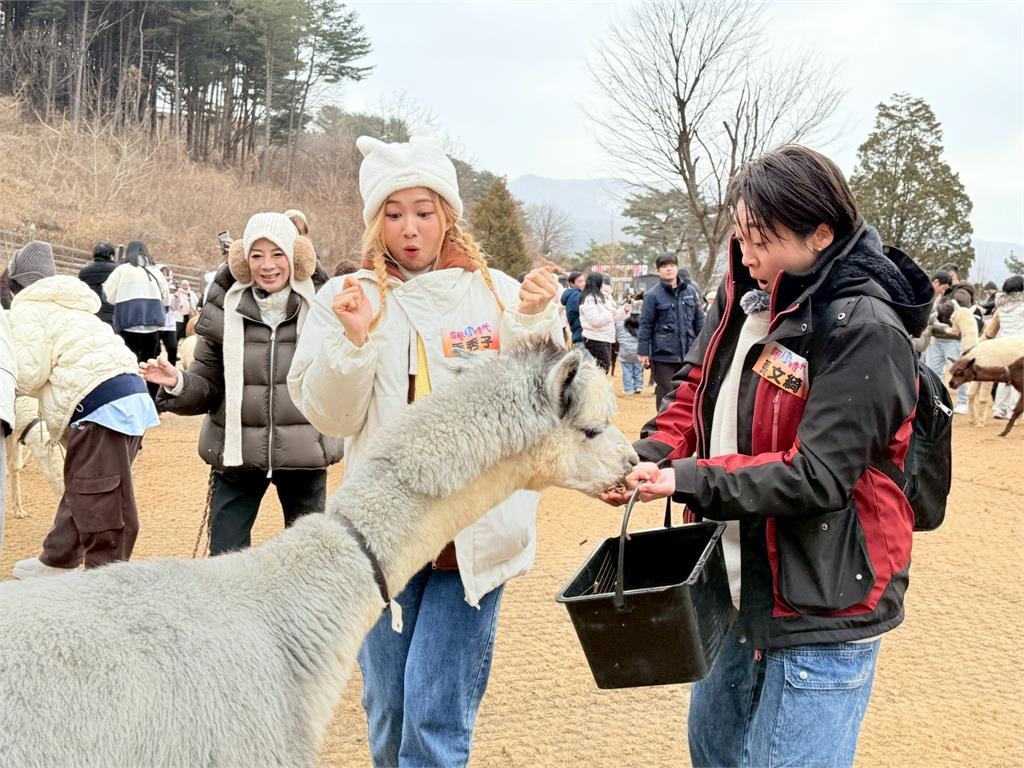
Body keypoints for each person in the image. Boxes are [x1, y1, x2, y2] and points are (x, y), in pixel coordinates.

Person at [602, 145, 932, 767]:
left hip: (823, 593)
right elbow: (697, 392)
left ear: (821, 234)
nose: (747, 253)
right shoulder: (744, 300)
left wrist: (684, 479)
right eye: (741, 232)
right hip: (737, 579)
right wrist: (647, 454)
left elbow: (818, 474)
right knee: (716, 754)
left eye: (763, 238)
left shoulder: (863, 326)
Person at [287, 131, 563, 768]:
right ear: (374, 221)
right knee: (388, 713)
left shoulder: (497, 292)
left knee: (435, 721)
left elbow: (544, 408)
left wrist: (533, 323)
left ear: (449, 215)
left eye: (424, 210)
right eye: (393, 212)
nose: (409, 228)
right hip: (383, 533)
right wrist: (354, 344)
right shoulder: (350, 298)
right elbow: (330, 415)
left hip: (472, 530)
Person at [139, 212, 343, 556]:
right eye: (257, 255)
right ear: (243, 259)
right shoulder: (224, 311)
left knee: (310, 560)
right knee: (226, 560)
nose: (268, 265)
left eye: (277, 254)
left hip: (305, 452)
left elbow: (340, 379)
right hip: (236, 455)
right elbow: (206, 386)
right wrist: (177, 382)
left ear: (295, 256)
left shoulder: (323, 309)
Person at [6, 240, 158, 578]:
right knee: (83, 483)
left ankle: (106, 575)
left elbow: (28, 373)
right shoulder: (71, 305)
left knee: (100, 495)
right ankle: (57, 558)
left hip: (99, 403)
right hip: (127, 395)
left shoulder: (28, 309)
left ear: (16, 285)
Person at [103, 240, 169, 400]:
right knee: (151, 365)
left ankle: (129, 398)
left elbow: (108, 295)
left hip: (127, 326)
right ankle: (152, 401)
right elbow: (165, 297)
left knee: (127, 365)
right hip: (152, 327)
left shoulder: (121, 270)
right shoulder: (154, 270)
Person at [637, 252, 705, 406]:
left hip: (688, 354)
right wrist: (643, 351)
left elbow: (699, 321)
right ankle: (662, 426)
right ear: (658, 270)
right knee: (666, 391)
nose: (669, 269)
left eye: (672, 265)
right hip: (663, 355)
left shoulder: (690, 292)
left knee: (687, 391)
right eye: (664, 266)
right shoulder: (652, 295)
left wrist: (703, 346)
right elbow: (645, 324)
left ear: (677, 267)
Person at [983, 274, 1024, 420]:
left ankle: (999, 408)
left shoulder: (1001, 307)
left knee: (1004, 377)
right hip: (1019, 345)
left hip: (1003, 345)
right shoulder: (1022, 306)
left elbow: (993, 328)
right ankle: (1013, 410)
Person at [579, 271, 628, 372]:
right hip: (594, 338)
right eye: (602, 282)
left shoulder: (601, 298)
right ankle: (593, 387)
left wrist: (623, 310)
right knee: (601, 368)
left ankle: (595, 386)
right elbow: (595, 321)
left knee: (603, 367)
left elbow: (611, 319)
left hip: (605, 337)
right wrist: (610, 313)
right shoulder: (589, 300)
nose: (604, 285)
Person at [77, 241, 119, 324]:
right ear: (111, 255)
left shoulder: (84, 272)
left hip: (91, 312)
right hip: (112, 313)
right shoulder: (117, 270)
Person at [616, 306, 643, 394]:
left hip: (625, 351)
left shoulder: (622, 325)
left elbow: (618, 336)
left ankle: (628, 389)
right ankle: (638, 386)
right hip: (638, 351)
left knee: (627, 370)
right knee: (638, 369)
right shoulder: (641, 325)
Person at [560, 270, 586, 349]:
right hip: (581, 335)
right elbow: (584, 312)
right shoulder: (575, 295)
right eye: (580, 281)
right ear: (572, 284)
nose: (583, 283)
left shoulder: (573, 294)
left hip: (578, 334)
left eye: (584, 281)